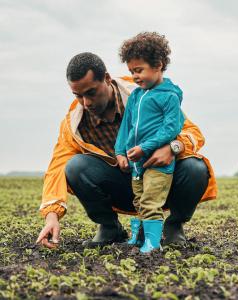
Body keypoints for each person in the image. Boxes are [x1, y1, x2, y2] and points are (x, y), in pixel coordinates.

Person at [36, 51, 217, 249]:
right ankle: (109, 227)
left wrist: (173, 147)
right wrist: (51, 217)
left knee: (196, 168)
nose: (86, 103)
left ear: (106, 79)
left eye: (91, 93)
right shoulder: (74, 123)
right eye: (78, 95)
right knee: (75, 166)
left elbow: (192, 132)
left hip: (159, 180)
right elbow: (57, 166)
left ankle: (173, 226)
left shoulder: (144, 94)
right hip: (122, 183)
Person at [115, 32, 185, 253]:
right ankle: (139, 236)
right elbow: (126, 126)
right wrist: (120, 152)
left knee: (150, 201)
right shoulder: (136, 96)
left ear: (158, 65)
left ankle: (153, 245)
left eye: (139, 70)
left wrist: (145, 147)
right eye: (131, 71)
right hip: (136, 164)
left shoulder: (169, 96)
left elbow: (171, 128)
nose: (135, 76)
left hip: (158, 163)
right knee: (139, 201)